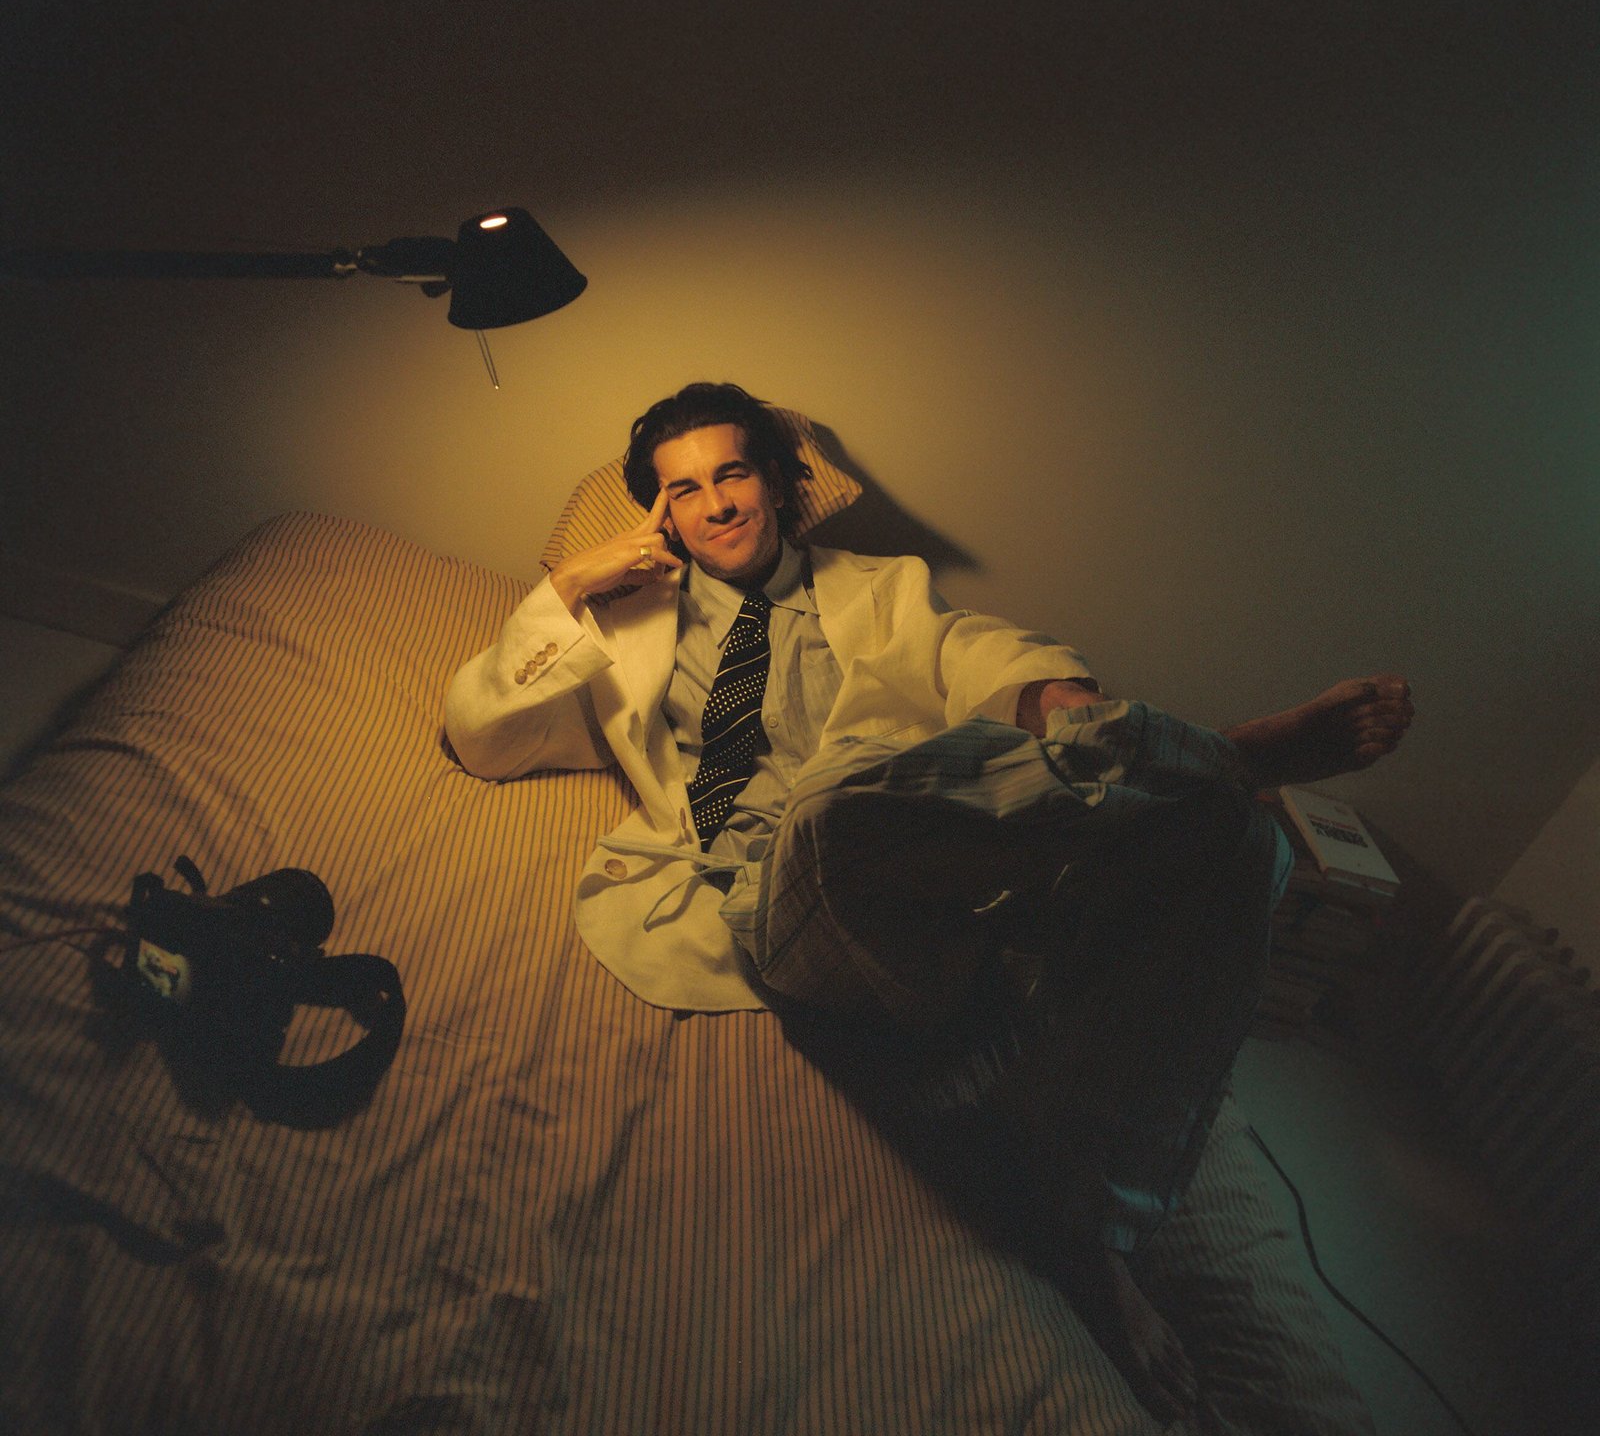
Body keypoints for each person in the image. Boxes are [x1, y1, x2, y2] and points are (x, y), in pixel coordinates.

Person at [444, 382, 1414, 1422]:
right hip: (785, 886)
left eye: (733, 473)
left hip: (951, 865)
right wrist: (571, 584)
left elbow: (982, 657)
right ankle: (1211, 759)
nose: (716, 503)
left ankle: (1092, 1208)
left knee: (1240, 840)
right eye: (685, 490)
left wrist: (1071, 712)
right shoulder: (624, 624)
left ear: (776, 484)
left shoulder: (876, 587)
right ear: (662, 516)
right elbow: (480, 735)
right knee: (841, 791)